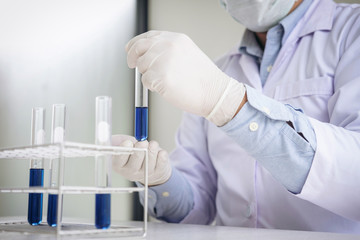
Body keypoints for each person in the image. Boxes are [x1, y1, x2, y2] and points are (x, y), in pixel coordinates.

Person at [112, 0, 360, 234]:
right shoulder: (215, 73)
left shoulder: (352, 31)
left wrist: (229, 103)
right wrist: (159, 180)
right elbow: (197, 210)